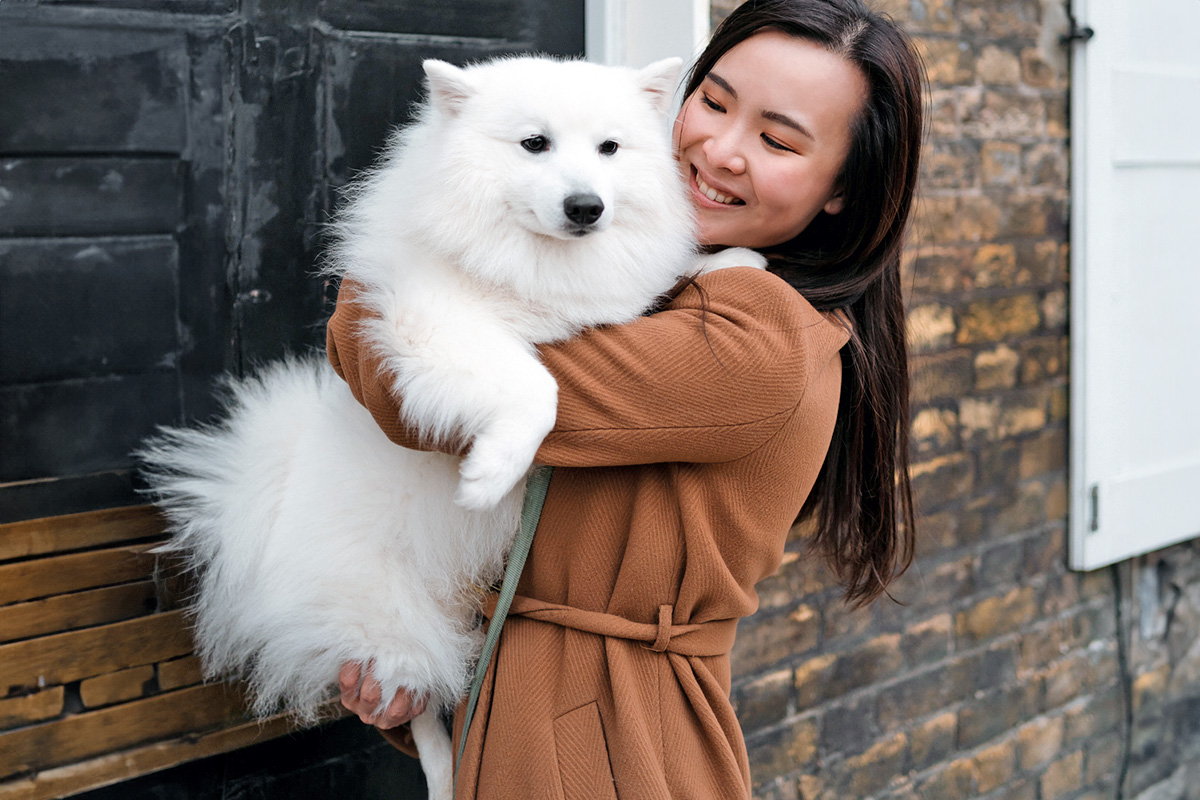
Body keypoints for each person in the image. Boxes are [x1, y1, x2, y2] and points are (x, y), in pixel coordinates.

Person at [325, 0, 924, 796]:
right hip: (537, 722)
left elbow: (403, 386)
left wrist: (410, 237)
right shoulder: (660, 289)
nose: (720, 148)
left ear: (843, 190)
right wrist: (420, 665)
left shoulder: (759, 336)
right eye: (712, 102)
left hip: (616, 748)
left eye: (777, 140)